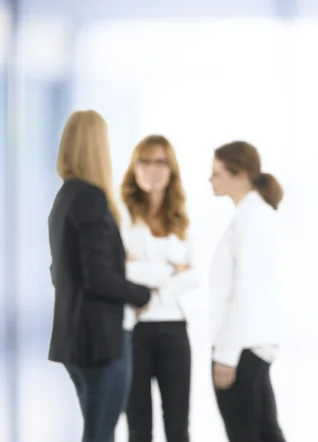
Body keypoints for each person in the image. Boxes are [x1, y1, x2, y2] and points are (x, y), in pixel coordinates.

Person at [47, 110, 152, 442]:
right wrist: (142, 294)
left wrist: (117, 259)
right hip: (100, 341)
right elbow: (98, 279)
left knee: (96, 431)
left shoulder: (65, 197)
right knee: (100, 434)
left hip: (73, 340)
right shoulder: (92, 198)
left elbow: (63, 270)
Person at [120, 135, 198, 442]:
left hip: (175, 330)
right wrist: (171, 270)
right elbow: (121, 270)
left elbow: (195, 276)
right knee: (139, 428)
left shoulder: (181, 220)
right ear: (134, 168)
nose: (152, 169)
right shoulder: (121, 216)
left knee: (178, 427)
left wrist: (152, 287)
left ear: (171, 170)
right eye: (145, 161)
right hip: (135, 330)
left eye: (160, 162)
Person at [208, 141, 287, 442]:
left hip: (241, 350)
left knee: (247, 434)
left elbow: (246, 290)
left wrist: (226, 356)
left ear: (240, 176)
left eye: (217, 173)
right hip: (251, 346)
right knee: (266, 432)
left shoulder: (251, 219)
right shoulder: (254, 214)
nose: (210, 180)